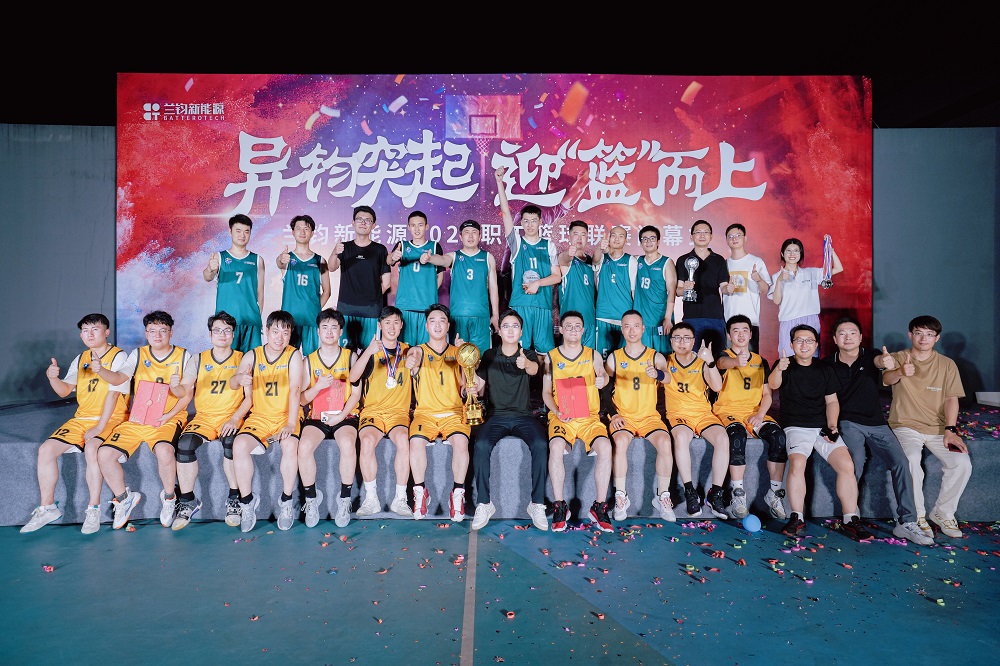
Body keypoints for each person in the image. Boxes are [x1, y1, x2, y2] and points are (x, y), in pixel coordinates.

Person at [825, 316, 933, 545]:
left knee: (901, 462)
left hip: (876, 422)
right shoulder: (828, 364)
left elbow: (880, 363)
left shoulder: (871, 355)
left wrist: (888, 362)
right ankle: (851, 515)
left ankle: (906, 522)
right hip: (847, 421)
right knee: (855, 459)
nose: (848, 337)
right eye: (842, 333)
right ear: (835, 339)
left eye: (852, 333)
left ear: (860, 337)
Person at [21, 314, 130, 535]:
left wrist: (99, 427)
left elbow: (114, 392)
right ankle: (47, 507)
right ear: (81, 335)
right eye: (85, 331)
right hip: (82, 418)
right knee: (46, 450)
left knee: (92, 448)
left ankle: (93, 509)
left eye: (95, 329)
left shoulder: (119, 356)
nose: (89, 334)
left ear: (106, 332)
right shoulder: (81, 359)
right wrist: (53, 378)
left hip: (112, 418)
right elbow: (64, 391)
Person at [767, 324, 873, 541]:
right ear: (792, 344)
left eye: (809, 341)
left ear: (816, 345)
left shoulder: (825, 369)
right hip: (796, 426)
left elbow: (832, 401)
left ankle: (850, 519)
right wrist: (779, 368)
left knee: (846, 465)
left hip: (822, 427)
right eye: (799, 340)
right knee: (797, 462)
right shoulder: (784, 364)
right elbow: (773, 384)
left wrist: (832, 425)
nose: (804, 345)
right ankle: (797, 517)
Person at [97, 311, 192, 530]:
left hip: (169, 417)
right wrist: (101, 370)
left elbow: (188, 395)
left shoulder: (184, 355)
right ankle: (124, 498)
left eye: (163, 330)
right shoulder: (138, 355)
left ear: (171, 332)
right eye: (152, 331)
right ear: (146, 333)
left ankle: (169, 497)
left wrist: (169, 415)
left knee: (165, 451)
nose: (157, 335)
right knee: (104, 454)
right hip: (140, 417)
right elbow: (119, 378)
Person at [883, 315, 971, 539]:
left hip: (939, 429)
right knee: (911, 459)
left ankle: (943, 512)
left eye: (929, 334)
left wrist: (950, 430)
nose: (924, 338)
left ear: (936, 338)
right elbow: (887, 378)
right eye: (919, 333)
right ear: (910, 335)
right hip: (905, 426)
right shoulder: (899, 357)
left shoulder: (947, 364)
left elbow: (951, 399)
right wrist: (900, 371)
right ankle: (917, 516)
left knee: (962, 463)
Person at [469, 309, 549, 531]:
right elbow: (478, 385)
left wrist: (526, 364)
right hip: (496, 417)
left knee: (540, 444)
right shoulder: (489, 355)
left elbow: (534, 369)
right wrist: (469, 374)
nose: (511, 330)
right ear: (499, 331)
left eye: (515, 326)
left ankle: (537, 503)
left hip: (524, 416)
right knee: (481, 445)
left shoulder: (528, 354)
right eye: (506, 326)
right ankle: (484, 503)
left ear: (521, 331)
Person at [172, 311, 252, 530]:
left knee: (231, 443)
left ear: (233, 334)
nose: (222, 334)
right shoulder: (198, 359)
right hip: (205, 418)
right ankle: (188, 501)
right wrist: (174, 387)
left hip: (231, 417)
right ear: (210, 334)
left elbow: (249, 398)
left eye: (227, 330)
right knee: (184, 444)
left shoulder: (243, 359)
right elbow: (183, 389)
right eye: (217, 330)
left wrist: (235, 418)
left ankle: (234, 499)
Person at [228, 310, 304, 533]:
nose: (280, 337)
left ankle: (286, 501)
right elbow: (233, 384)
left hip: (286, 415)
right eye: (276, 331)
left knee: (290, 445)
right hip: (260, 417)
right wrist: (239, 378)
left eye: (285, 333)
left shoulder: (293, 355)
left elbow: (295, 390)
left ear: (290, 335)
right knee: (239, 445)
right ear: (267, 331)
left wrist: (291, 424)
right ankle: (247, 502)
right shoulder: (252, 356)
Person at [542, 310, 613, 532]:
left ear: (583, 330)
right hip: (562, 417)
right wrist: (557, 411)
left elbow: (603, 376)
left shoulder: (593, 355)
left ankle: (599, 506)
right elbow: (545, 393)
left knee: (605, 446)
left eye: (577, 326)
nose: (573, 330)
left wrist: (603, 379)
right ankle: (559, 505)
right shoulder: (550, 357)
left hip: (589, 417)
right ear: (561, 330)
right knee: (555, 446)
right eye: (568, 326)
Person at [712, 315, 788, 521]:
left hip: (754, 412)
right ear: (729, 336)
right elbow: (722, 363)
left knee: (778, 436)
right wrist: (736, 361)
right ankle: (738, 494)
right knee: (737, 436)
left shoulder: (760, 361)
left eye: (745, 330)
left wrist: (760, 414)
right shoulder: (723, 356)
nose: (741, 334)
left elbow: (767, 394)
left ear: (751, 334)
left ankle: (774, 493)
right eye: (735, 331)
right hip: (727, 411)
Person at [605, 310, 676, 522]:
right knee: (620, 442)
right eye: (627, 326)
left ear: (643, 329)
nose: (632, 330)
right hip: (624, 416)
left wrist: (658, 374)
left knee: (665, 442)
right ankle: (621, 496)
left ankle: (663, 496)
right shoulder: (615, 358)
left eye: (636, 326)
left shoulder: (655, 356)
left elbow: (668, 378)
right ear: (622, 329)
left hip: (649, 417)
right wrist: (613, 414)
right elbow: (605, 390)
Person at [406, 304, 472, 521]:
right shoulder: (418, 350)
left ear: (448, 326)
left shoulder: (458, 352)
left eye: (442, 321)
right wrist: (410, 361)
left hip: (453, 413)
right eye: (432, 321)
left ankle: (458, 494)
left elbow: (466, 386)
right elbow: (412, 359)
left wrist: (465, 359)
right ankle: (420, 492)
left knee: (461, 443)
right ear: (426, 326)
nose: (437, 325)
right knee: (416, 442)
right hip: (425, 414)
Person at [298, 309, 362, 528]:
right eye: (324, 327)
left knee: (347, 443)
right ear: (318, 331)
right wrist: (317, 387)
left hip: (345, 415)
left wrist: (341, 415)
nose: (329, 331)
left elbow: (356, 394)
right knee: (304, 446)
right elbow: (301, 399)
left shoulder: (350, 357)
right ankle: (311, 499)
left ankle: (344, 499)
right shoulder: (308, 361)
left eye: (334, 327)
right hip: (318, 417)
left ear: (341, 331)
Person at [350, 306, 414, 518]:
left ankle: (400, 499)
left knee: (404, 440)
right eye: (387, 323)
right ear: (379, 325)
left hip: (398, 413)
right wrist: (368, 351)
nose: (392, 327)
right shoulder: (371, 352)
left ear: (401, 325)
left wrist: (414, 363)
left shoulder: (409, 351)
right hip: (373, 412)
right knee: (367, 440)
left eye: (396, 322)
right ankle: (371, 499)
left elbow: (417, 366)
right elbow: (352, 377)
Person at [662, 322, 730, 519]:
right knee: (681, 437)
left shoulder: (702, 361)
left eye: (686, 338)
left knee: (722, 438)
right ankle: (690, 491)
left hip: (702, 414)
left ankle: (715, 494)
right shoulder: (665, 361)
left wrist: (710, 361)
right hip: (679, 415)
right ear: (671, 341)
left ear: (693, 342)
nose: (682, 342)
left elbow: (717, 387)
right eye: (677, 338)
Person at [496, 165, 562, 352]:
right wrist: (499, 182)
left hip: (542, 306)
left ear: (540, 222)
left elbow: (557, 276)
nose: (530, 224)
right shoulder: (517, 243)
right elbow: (506, 213)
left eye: (534, 221)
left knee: (544, 354)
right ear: (521, 222)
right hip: (520, 304)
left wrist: (538, 283)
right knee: (518, 352)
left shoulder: (548, 245)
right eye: (526, 221)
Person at [419, 219, 500, 354]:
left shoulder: (488, 258)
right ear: (461, 236)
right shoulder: (454, 256)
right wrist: (430, 258)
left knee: (481, 357)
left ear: (480, 236)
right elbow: (443, 260)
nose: (470, 236)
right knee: (457, 356)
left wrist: (495, 314)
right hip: (458, 317)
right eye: (466, 232)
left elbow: (493, 288)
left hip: (481, 316)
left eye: (474, 232)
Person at [328, 205, 390, 351]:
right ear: (353, 223)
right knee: (345, 354)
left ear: (373, 225)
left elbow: (386, 283)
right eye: (359, 219)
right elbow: (331, 267)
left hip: (371, 311)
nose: (363, 223)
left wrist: (371, 297)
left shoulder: (380, 250)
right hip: (346, 309)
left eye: (368, 220)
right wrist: (335, 252)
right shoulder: (344, 247)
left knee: (370, 353)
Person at [768, 237, 843, 358]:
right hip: (789, 320)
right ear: (782, 254)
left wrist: (830, 251)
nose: (792, 254)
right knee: (787, 357)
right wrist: (779, 280)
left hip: (811, 320)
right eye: (788, 251)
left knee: (811, 357)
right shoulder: (777, 276)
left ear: (801, 253)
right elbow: (776, 301)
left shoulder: (811, 273)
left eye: (796, 250)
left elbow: (838, 268)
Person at [203, 214, 265, 353]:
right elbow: (207, 277)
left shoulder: (257, 260)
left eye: (246, 231)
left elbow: (260, 292)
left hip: (251, 322)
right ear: (230, 231)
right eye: (238, 231)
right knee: (228, 362)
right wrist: (210, 268)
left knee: (252, 362)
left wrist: (256, 316)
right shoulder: (220, 257)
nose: (242, 235)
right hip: (226, 324)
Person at [276, 214, 331, 357]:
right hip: (290, 321)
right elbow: (279, 263)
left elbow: (327, 291)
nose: (302, 232)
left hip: (312, 321)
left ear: (312, 233)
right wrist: (281, 259)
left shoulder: (320, 261)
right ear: (293, 232)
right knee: (287, 358)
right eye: (298, 228)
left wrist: (314, 309)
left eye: (306, 228)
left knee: (312, 360)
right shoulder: (287, 258)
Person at [388, 210, 443, 347]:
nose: (416, 229)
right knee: (405, 350)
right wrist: (392, 257)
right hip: (405, 306)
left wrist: (428, 293)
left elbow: (440, 276)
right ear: (408, 227)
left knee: (426, 349)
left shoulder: (434, 246)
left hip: (427, 307)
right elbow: (389, 261)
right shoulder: (402, 245)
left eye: (420, 225)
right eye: (413, 225)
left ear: (426, 227)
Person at [675, 220, 730, 354]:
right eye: (698, 232)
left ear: (711, 236)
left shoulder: (719, 260)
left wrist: (728, 289)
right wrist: (685, 289)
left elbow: (723, 287)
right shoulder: (683, 260)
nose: (702, 235)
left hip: (715, 317)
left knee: (717, 356)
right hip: (691, 316)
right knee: (690, 356)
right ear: (691, 236)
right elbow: (678, 291)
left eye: (706, 232)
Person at [721, 224, 771, 353]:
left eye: (738, 235)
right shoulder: (723, 264)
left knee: (751, 360)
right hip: (728, 322)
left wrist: (758, 279)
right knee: (729, 361)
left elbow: (764, 290)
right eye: (730, 236)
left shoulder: (756, 262)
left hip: (750, 322)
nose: (734, 239)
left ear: (745, 238)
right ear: (726, 240)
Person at [592, 226, 637, 359]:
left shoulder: (631, 260)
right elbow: (595, 260)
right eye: (613, 235)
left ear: (626, 240)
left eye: (621, 236)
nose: (617, 239)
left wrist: (633, 318)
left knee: (623, 360)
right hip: (603, 316)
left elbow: (633, 292)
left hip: (623, 319)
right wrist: (599, 248)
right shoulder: (602, 257)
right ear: (609, 238)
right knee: (602, 359)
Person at [632, 225, 677, 354]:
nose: (648, 241)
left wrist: (667, 318)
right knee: (642, 356)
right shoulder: (636, 261)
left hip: (660, 319)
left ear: (658, 242)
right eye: (644, 239)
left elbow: (672, 291)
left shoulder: (666, 262)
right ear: (641, 243)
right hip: (642, 320)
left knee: (663, 357)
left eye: (652, 238)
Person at [557, 220, 598, 350]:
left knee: (589, 359)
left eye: (583, 234)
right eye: (576, 234)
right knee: (570, 358)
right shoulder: (566, 259)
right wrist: (569, 254)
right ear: (569, 236)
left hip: (590, 321)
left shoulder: (591, 261)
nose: (579, 238)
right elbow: (563, 258)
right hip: (571, 324)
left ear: (587, 237)